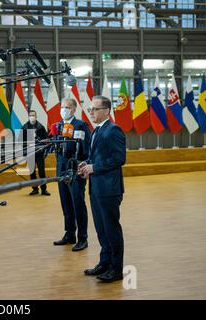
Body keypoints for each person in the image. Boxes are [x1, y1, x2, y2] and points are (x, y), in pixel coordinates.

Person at [78, 95, 126, 283]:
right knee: (101, 229)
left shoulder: (113, 130)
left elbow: (119, 158)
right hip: (96, 187)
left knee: (111, 229)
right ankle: (104, 263)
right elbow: (97, 156)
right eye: (90, 109)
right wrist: (87, 164)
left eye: (95, 109)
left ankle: (116, 269)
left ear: (106, 110)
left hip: (109, 189)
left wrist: (95, 168)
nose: (91, 112)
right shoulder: (97, 130)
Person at [53, 98, 91, 251]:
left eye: (67, 107)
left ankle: (83, 238)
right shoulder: (59, 125)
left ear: (74, 109)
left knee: (77, 204)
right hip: (61, 168)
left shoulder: (80, 125)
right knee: (66, 203)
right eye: (62, 107)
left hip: (76, 168)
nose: (64, 110)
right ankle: (69, 234)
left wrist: (84, 165)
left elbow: (86, 148)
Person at [21, 110, 50, 196]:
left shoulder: (41, 127)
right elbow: (21, 142)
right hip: (30, 153)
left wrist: (45, 152)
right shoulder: (24, 127)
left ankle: (44, 189)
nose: (32, 116)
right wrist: (24, 153)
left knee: (42, 172)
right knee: (32, 172)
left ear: (36, 116)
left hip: (39, 153)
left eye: (33, 115)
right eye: (30, 115)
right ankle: (35, 189)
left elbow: (46, 140)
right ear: (28, 116)